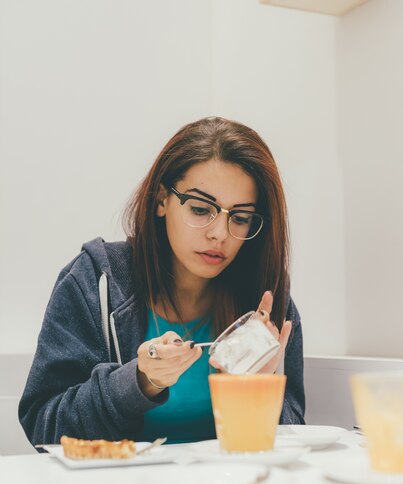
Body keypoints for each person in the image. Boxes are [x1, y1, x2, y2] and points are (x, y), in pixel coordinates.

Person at [19, 117, 305, 446]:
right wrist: (139, 382)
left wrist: (257, 391)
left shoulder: (265, 302)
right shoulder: (95, 282)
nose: (219, 234)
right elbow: (44, 428)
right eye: (200, 209)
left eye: (240, 218)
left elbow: (293, 435)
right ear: (161, 200)